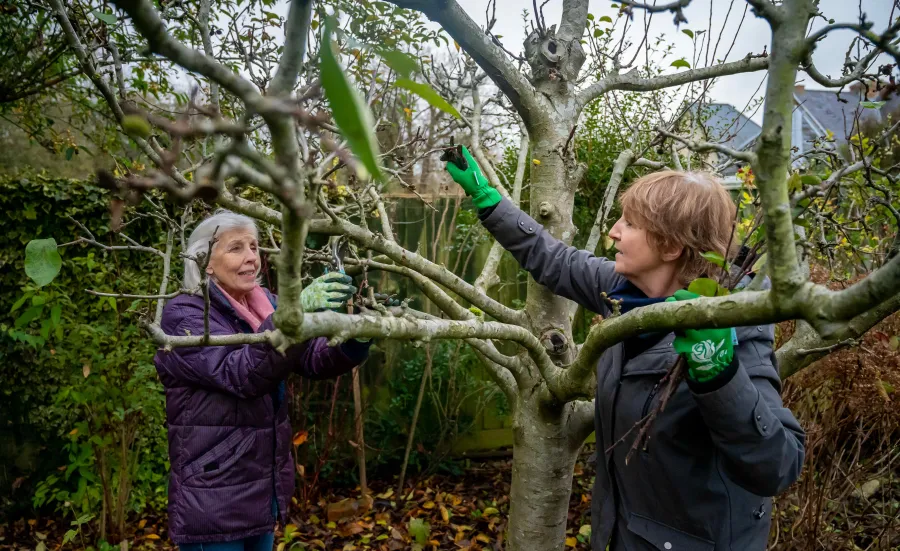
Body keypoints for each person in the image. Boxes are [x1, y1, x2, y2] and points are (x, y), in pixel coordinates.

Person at [444, 147, 805, 551]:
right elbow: (554, 259)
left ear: (670, 246)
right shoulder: (624, 293)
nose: (613, 231)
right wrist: (490, 202)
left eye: (629, 223)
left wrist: (718, 372)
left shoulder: (734, 326)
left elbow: (779, 465)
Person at [154, 210, 372, 550]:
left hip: (261, 487)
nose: (251, 257)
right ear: (205, 262)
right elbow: (241, 374)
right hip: (213, 494)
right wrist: (291, 313)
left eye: (254, 247)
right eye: (236, 248)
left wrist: (360, 333)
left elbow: (313, 358)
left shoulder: (265, 303)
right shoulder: (184, 314)